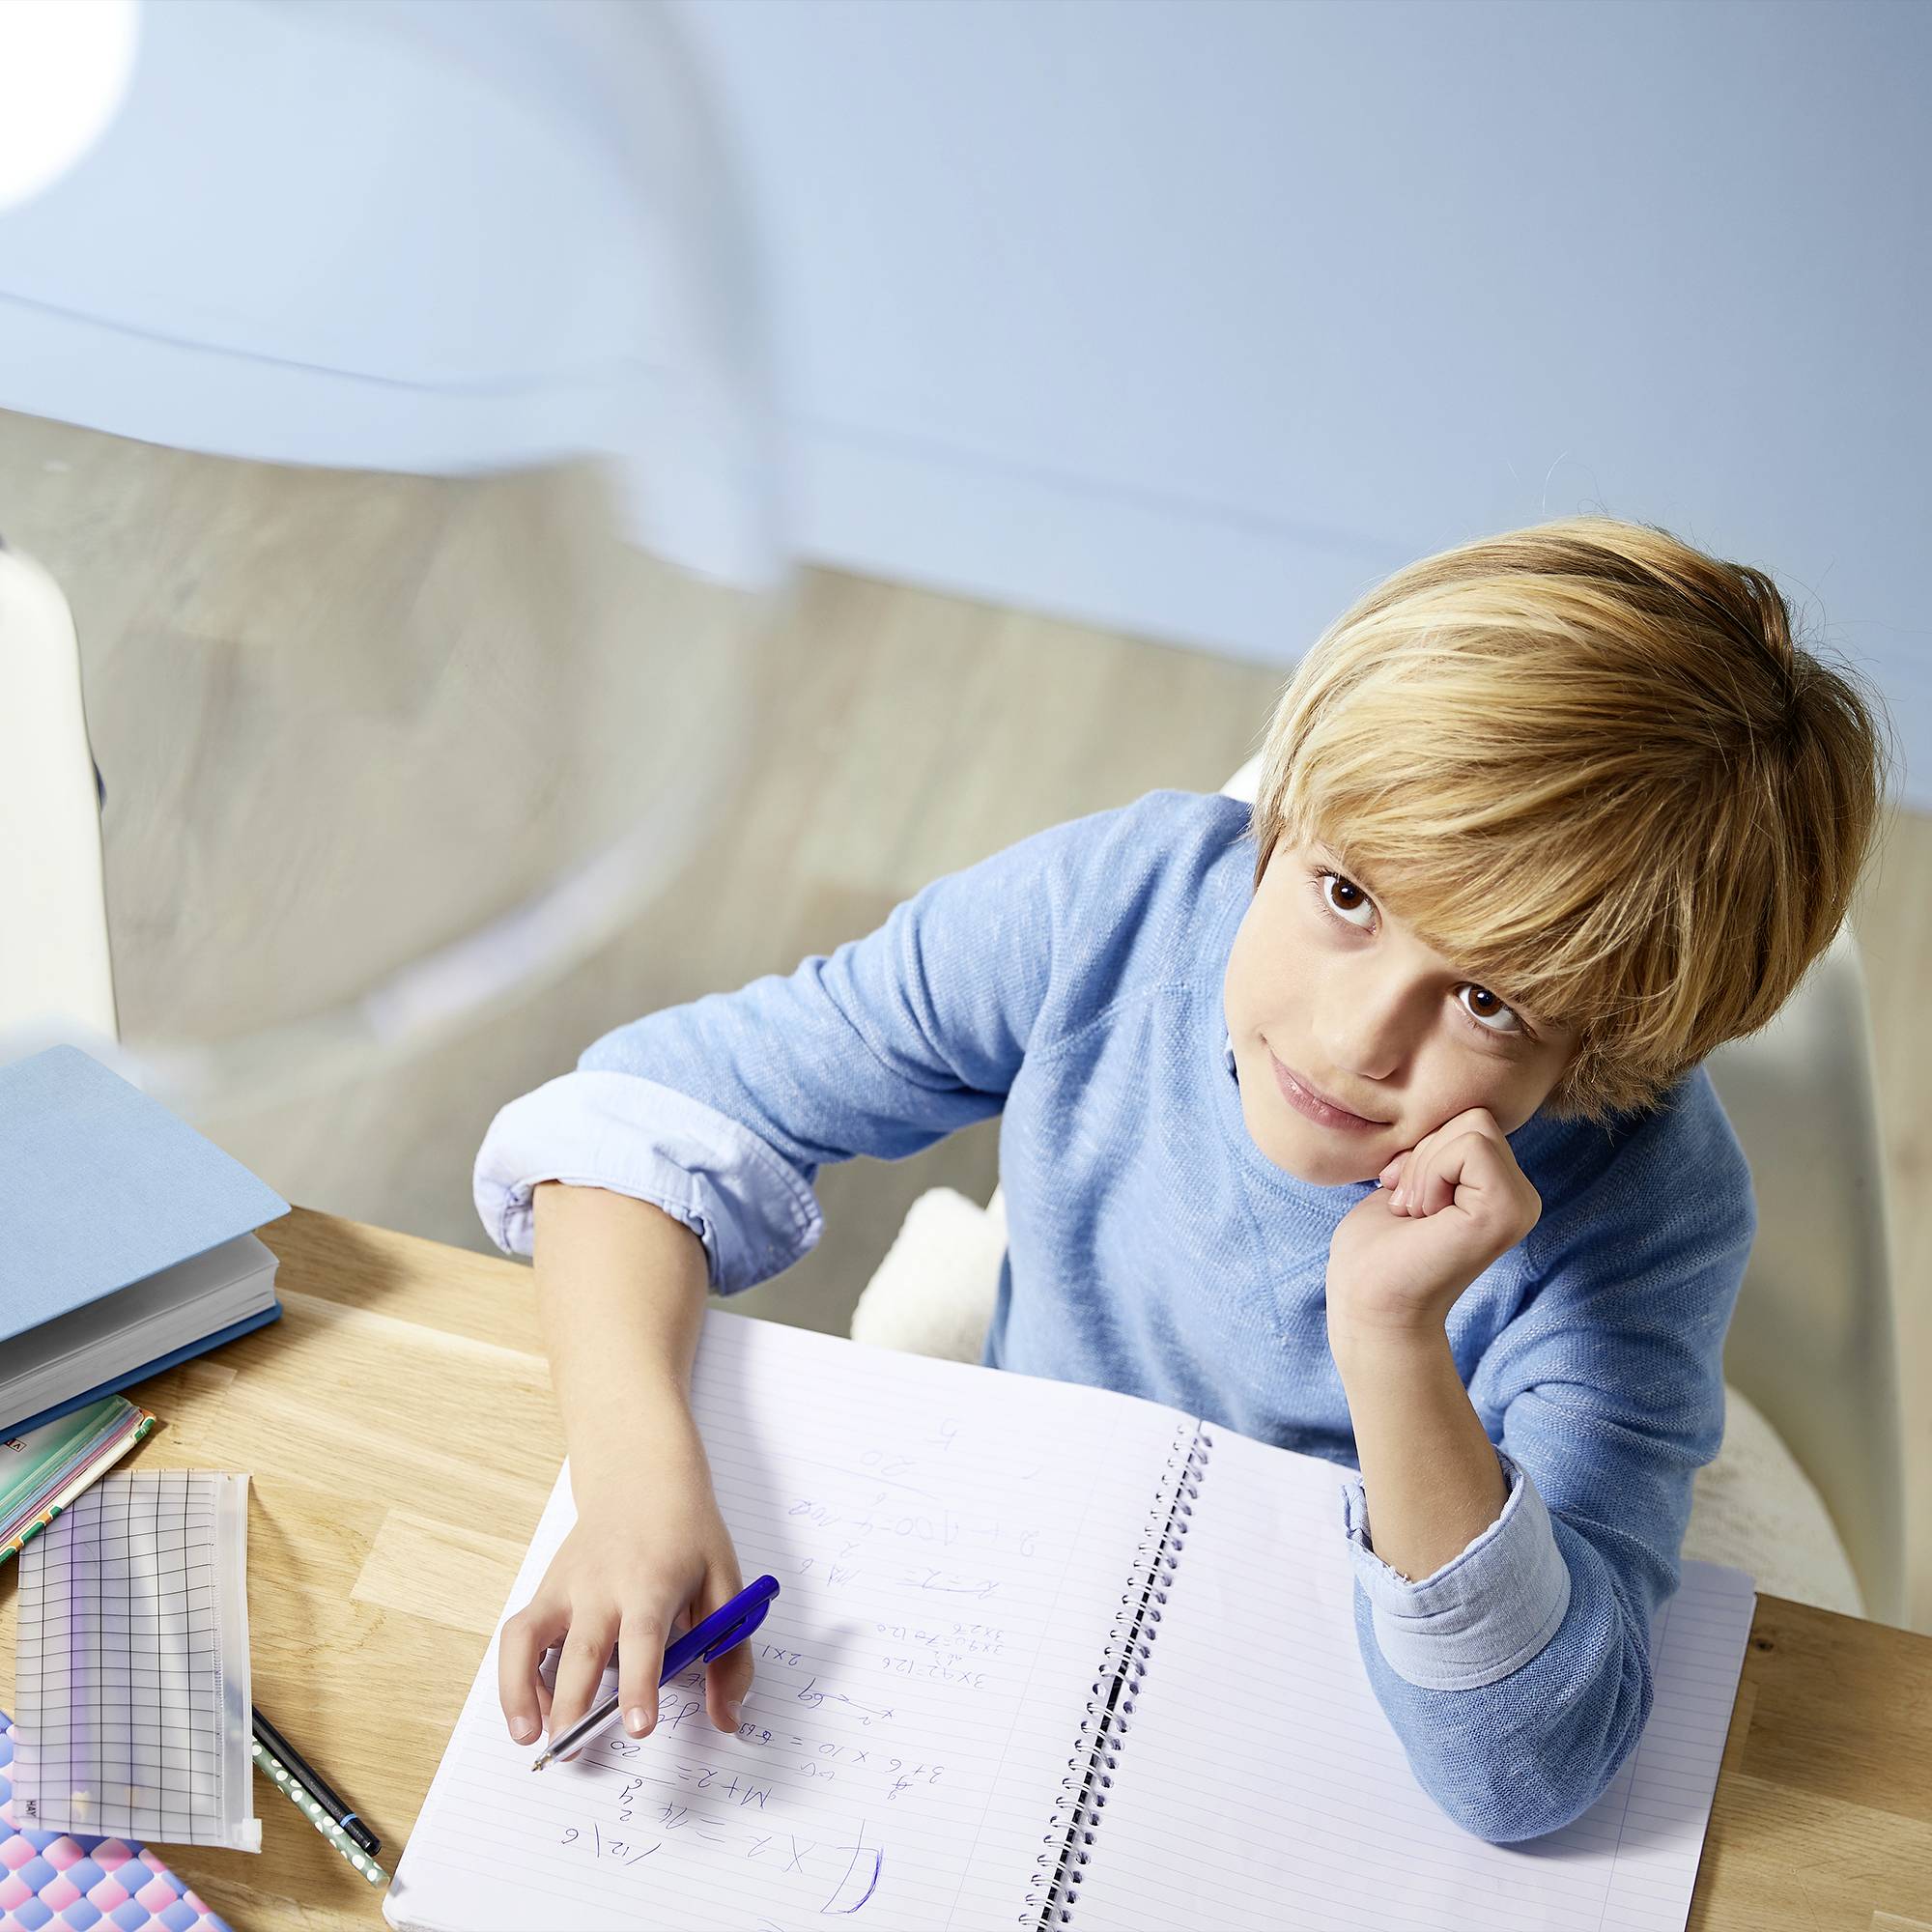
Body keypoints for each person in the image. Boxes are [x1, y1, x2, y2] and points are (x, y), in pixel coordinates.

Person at [474, 515, 1893, 1842]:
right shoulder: (1121, 901)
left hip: (1348, 1654)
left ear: (1606, 1055)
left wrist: (1392, 1340)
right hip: (1045, 1549)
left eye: (1490, 1003)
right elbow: (638, 1117)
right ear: (1293, 812)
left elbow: (1531, 1770)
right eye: (1348, 896)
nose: (1354, 1042)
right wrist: (637, 1483)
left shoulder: (1650, 1208)